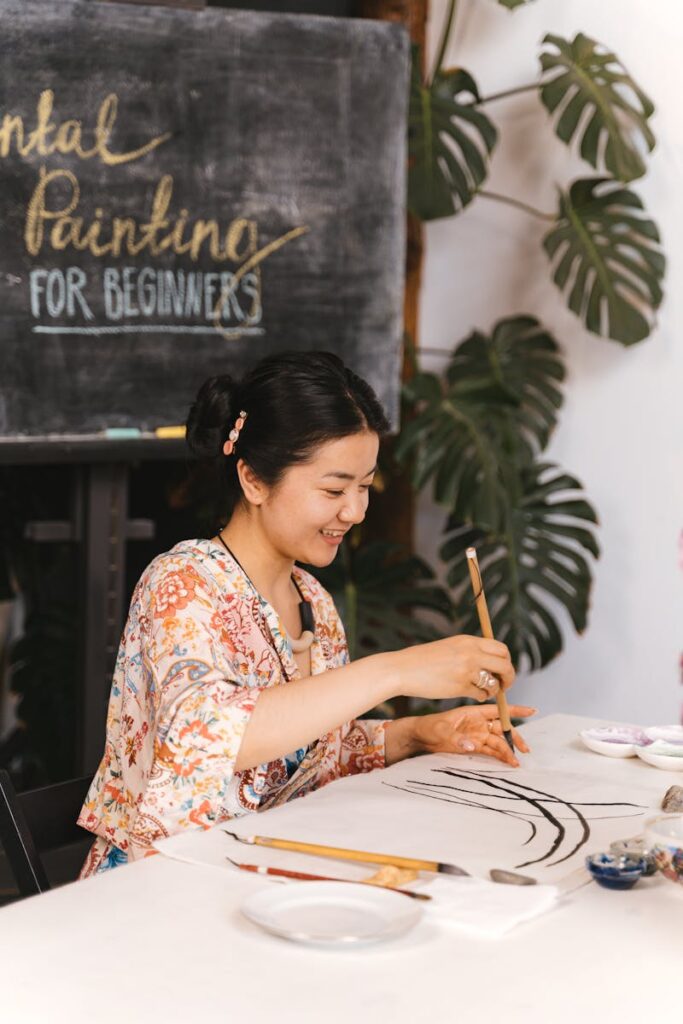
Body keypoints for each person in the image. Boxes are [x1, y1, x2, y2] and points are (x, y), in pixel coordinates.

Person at [78, 351, 534, 875]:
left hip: (264, 876)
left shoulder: (312, 600)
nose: (356, 511)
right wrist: (397, 669)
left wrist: (417, 734)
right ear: (253, 480)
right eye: (334, 489)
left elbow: (306, 754)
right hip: (163, 883)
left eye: (364, 487)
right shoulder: (181, 584)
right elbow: (207, 735)